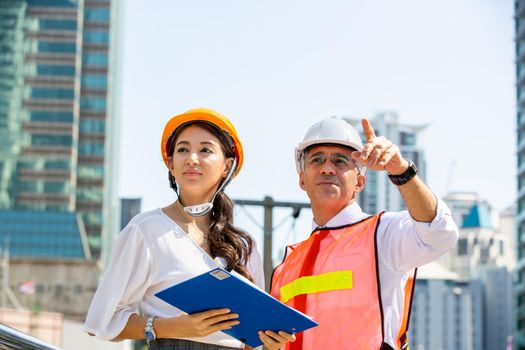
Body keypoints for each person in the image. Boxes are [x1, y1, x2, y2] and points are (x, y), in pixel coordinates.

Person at [84, 108, 295, 350]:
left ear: (226, 166)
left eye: (205, 149)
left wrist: (271, 343)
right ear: (171, 164)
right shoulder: (145, 231)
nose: (191, 158)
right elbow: (103, 320)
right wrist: (171, 327)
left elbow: (252, 343)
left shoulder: (244, 246)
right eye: (182, 149)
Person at [270, 117, 459, 350]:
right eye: (316, 160)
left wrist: (401, 170)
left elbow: (440, 233)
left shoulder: (382, 234)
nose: (327, 168)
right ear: (302, 179)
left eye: (340, 161)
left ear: (360, 182)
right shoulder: (287, 264)